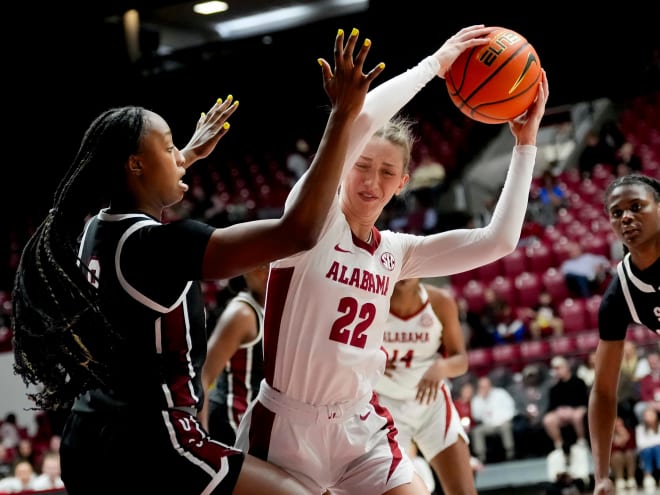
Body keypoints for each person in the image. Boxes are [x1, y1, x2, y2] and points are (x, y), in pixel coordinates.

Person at [10, 28, 384, 495]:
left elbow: (143, 186)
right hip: (150, 443)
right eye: (167, 147)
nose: (178, 154)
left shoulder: (96, 228)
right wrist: (343, 115)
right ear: (135, 166)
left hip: (89, 436)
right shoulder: (159, 247)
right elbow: (299, 232)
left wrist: (182, 154)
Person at [234, 24, 549, 495]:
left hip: (361, 429)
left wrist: (525, 145)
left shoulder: (396, 253)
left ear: (403, 183)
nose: (371, 181)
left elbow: (498, 241)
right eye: (361, 164)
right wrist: (434, 66)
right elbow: (356, 124)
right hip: (285, 428)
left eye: (386, 172)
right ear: (343, 167)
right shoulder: (309, 222)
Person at [588, 174, 660, 495]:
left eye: (636, 206)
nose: (626, 216)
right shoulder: (620, 295)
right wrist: (601, 474)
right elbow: (603, 392)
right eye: (617, 213)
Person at [373, 278, 476, 494]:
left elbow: (461, 360)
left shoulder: (439, 301)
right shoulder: (372, 299)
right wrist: (371, 361)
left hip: (431, 404)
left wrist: (441, 367)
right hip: (384, 406)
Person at [199, 264, 269, 445]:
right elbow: (203, 377)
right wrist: (202, 438)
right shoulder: (243, 314)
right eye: (260, 265)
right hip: (227, 425)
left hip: (251, 428)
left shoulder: (279, 311)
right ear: (244, 268)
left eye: (273, 261)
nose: (267, 270)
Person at [635, 405, 660, 493]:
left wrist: (653, 444)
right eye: (647, 415)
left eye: (651, 414)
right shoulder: (640, 429)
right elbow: (640, 444)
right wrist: (654, 443)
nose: (649, 417)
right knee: (648, 450)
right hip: (645, 451)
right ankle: (647, 475)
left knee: (657, 449)